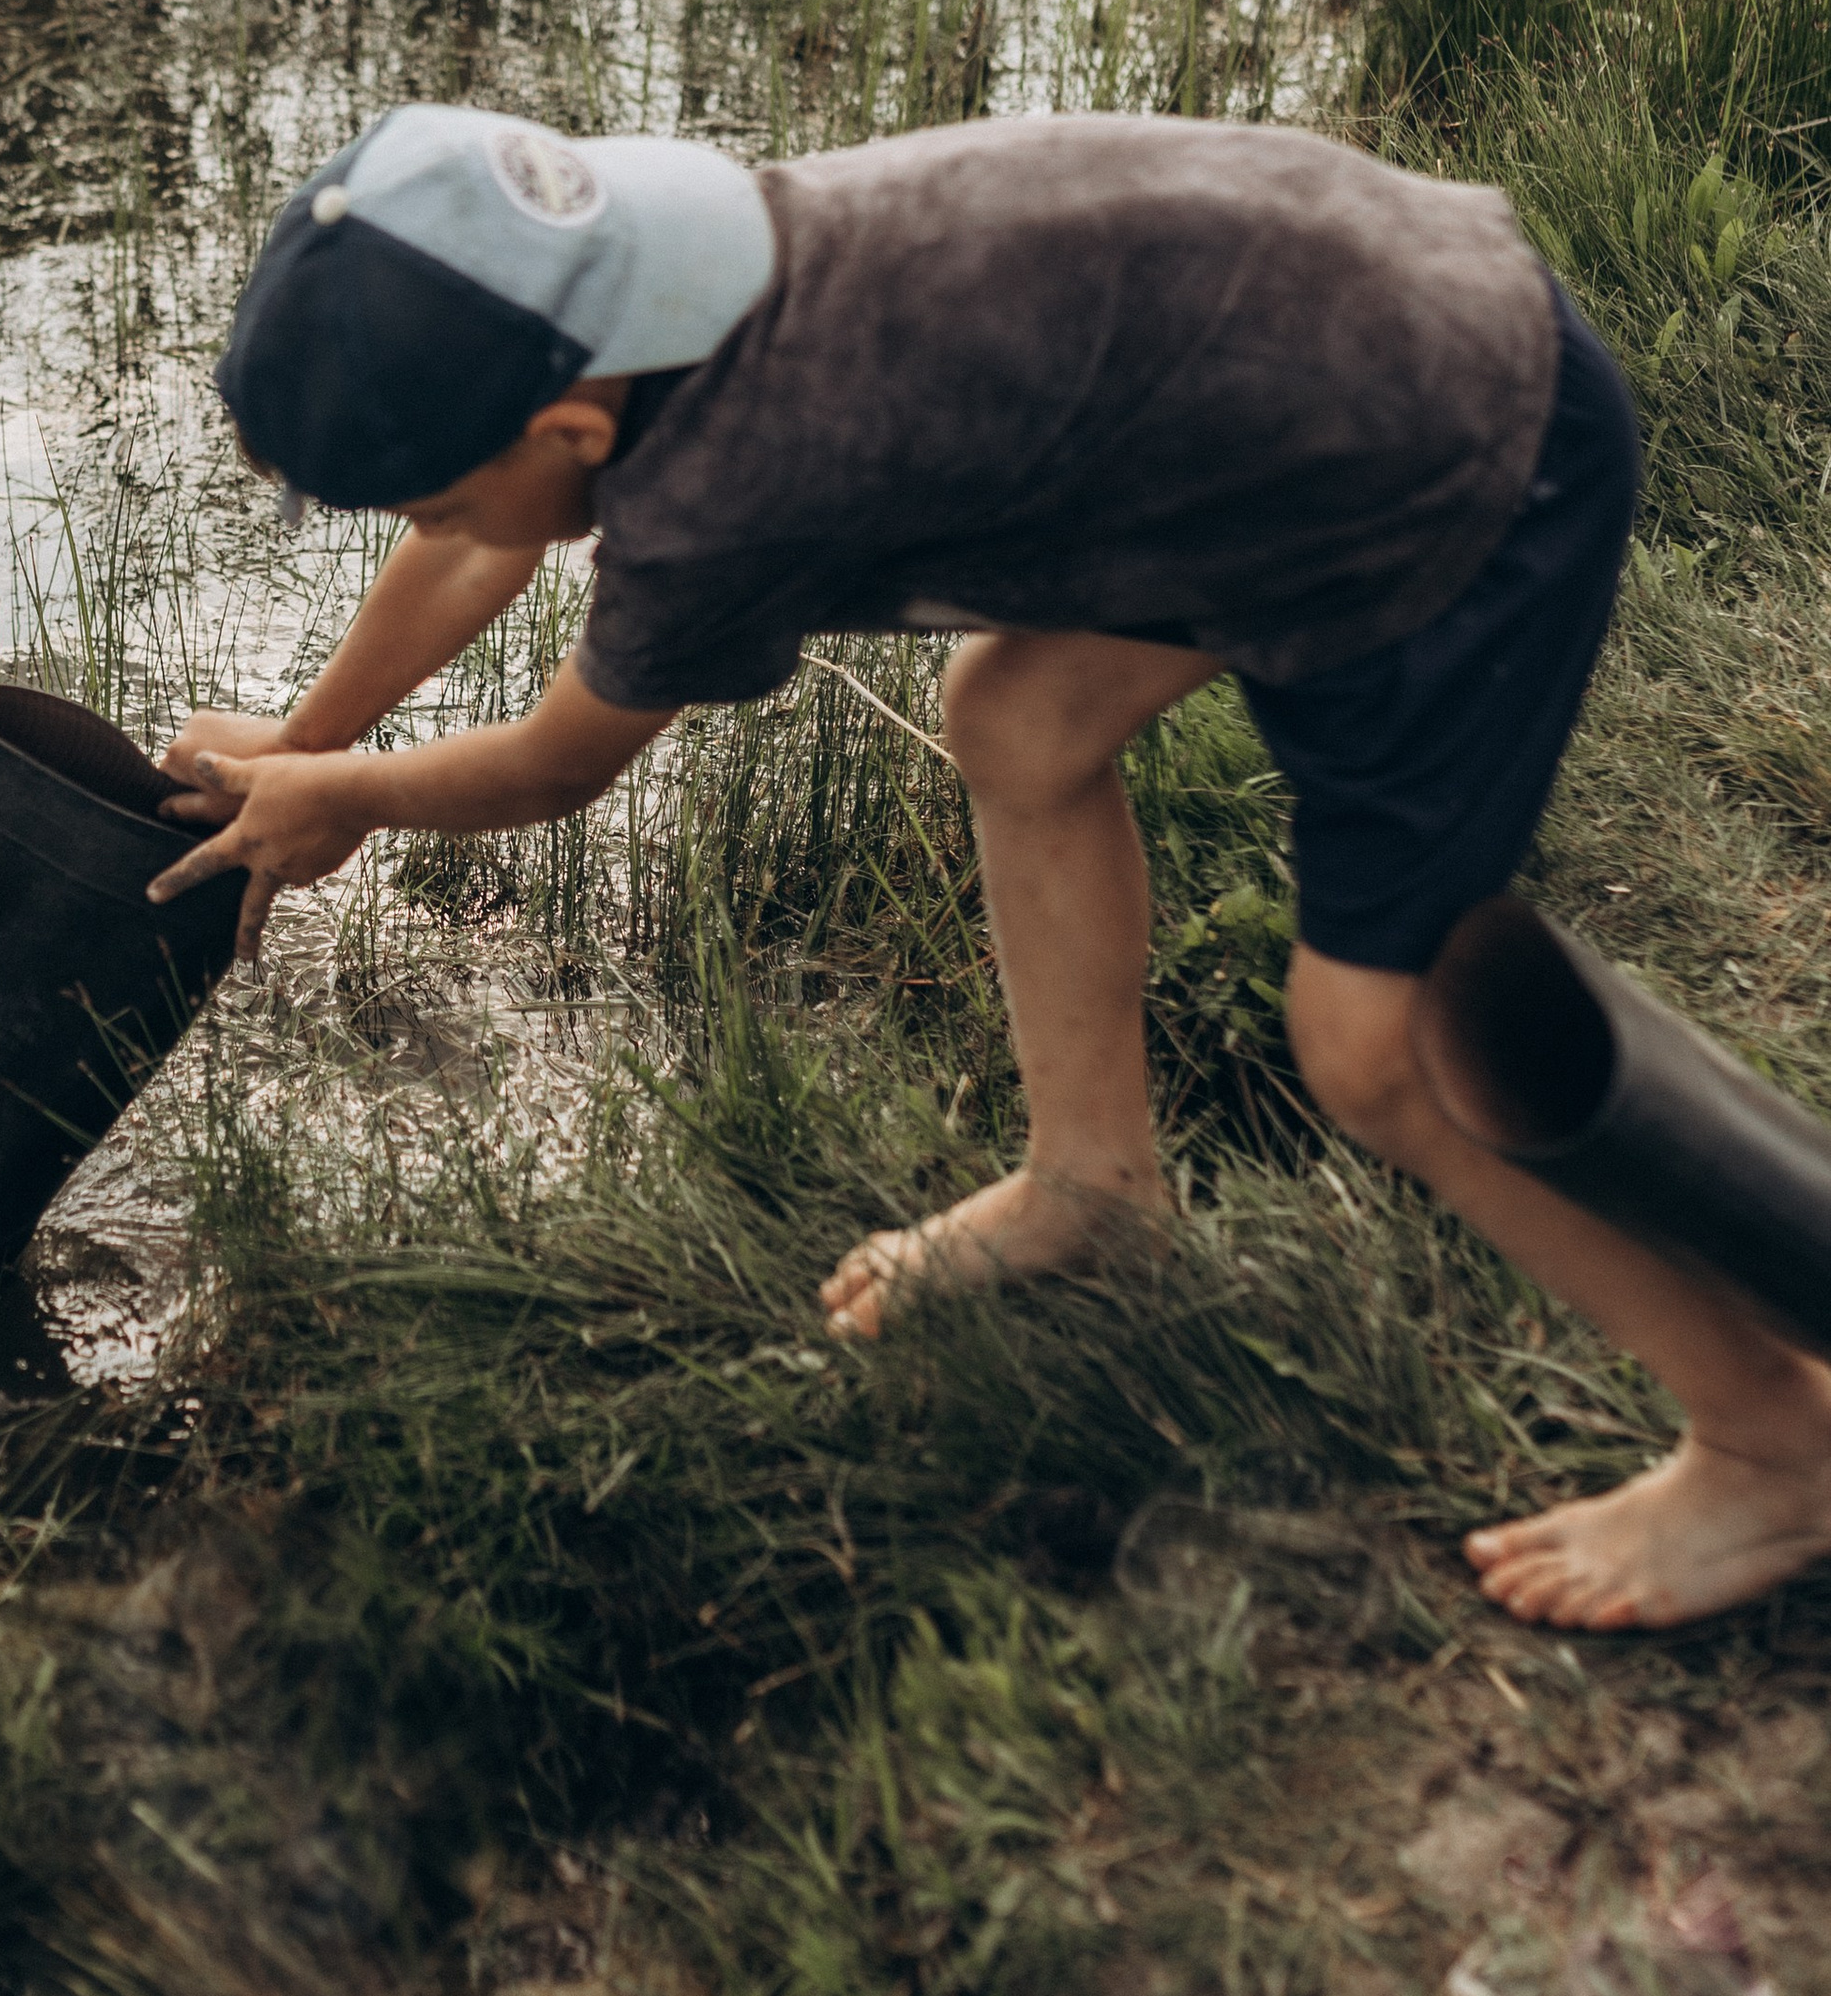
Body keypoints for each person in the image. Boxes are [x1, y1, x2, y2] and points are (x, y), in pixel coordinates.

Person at [150, 101, 1831, 1635]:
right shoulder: (658, 265)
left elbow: (561, 759)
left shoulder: (735, 470)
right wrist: (304, 741)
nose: (436, 519)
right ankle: (1092, 1188)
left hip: (1450, 461)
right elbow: (484, 528)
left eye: (439, 483)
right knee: (1021, 718)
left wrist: (348, 796)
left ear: (577, 420)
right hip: (1325, 337)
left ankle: (1773, 1444)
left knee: (1370, 1048)